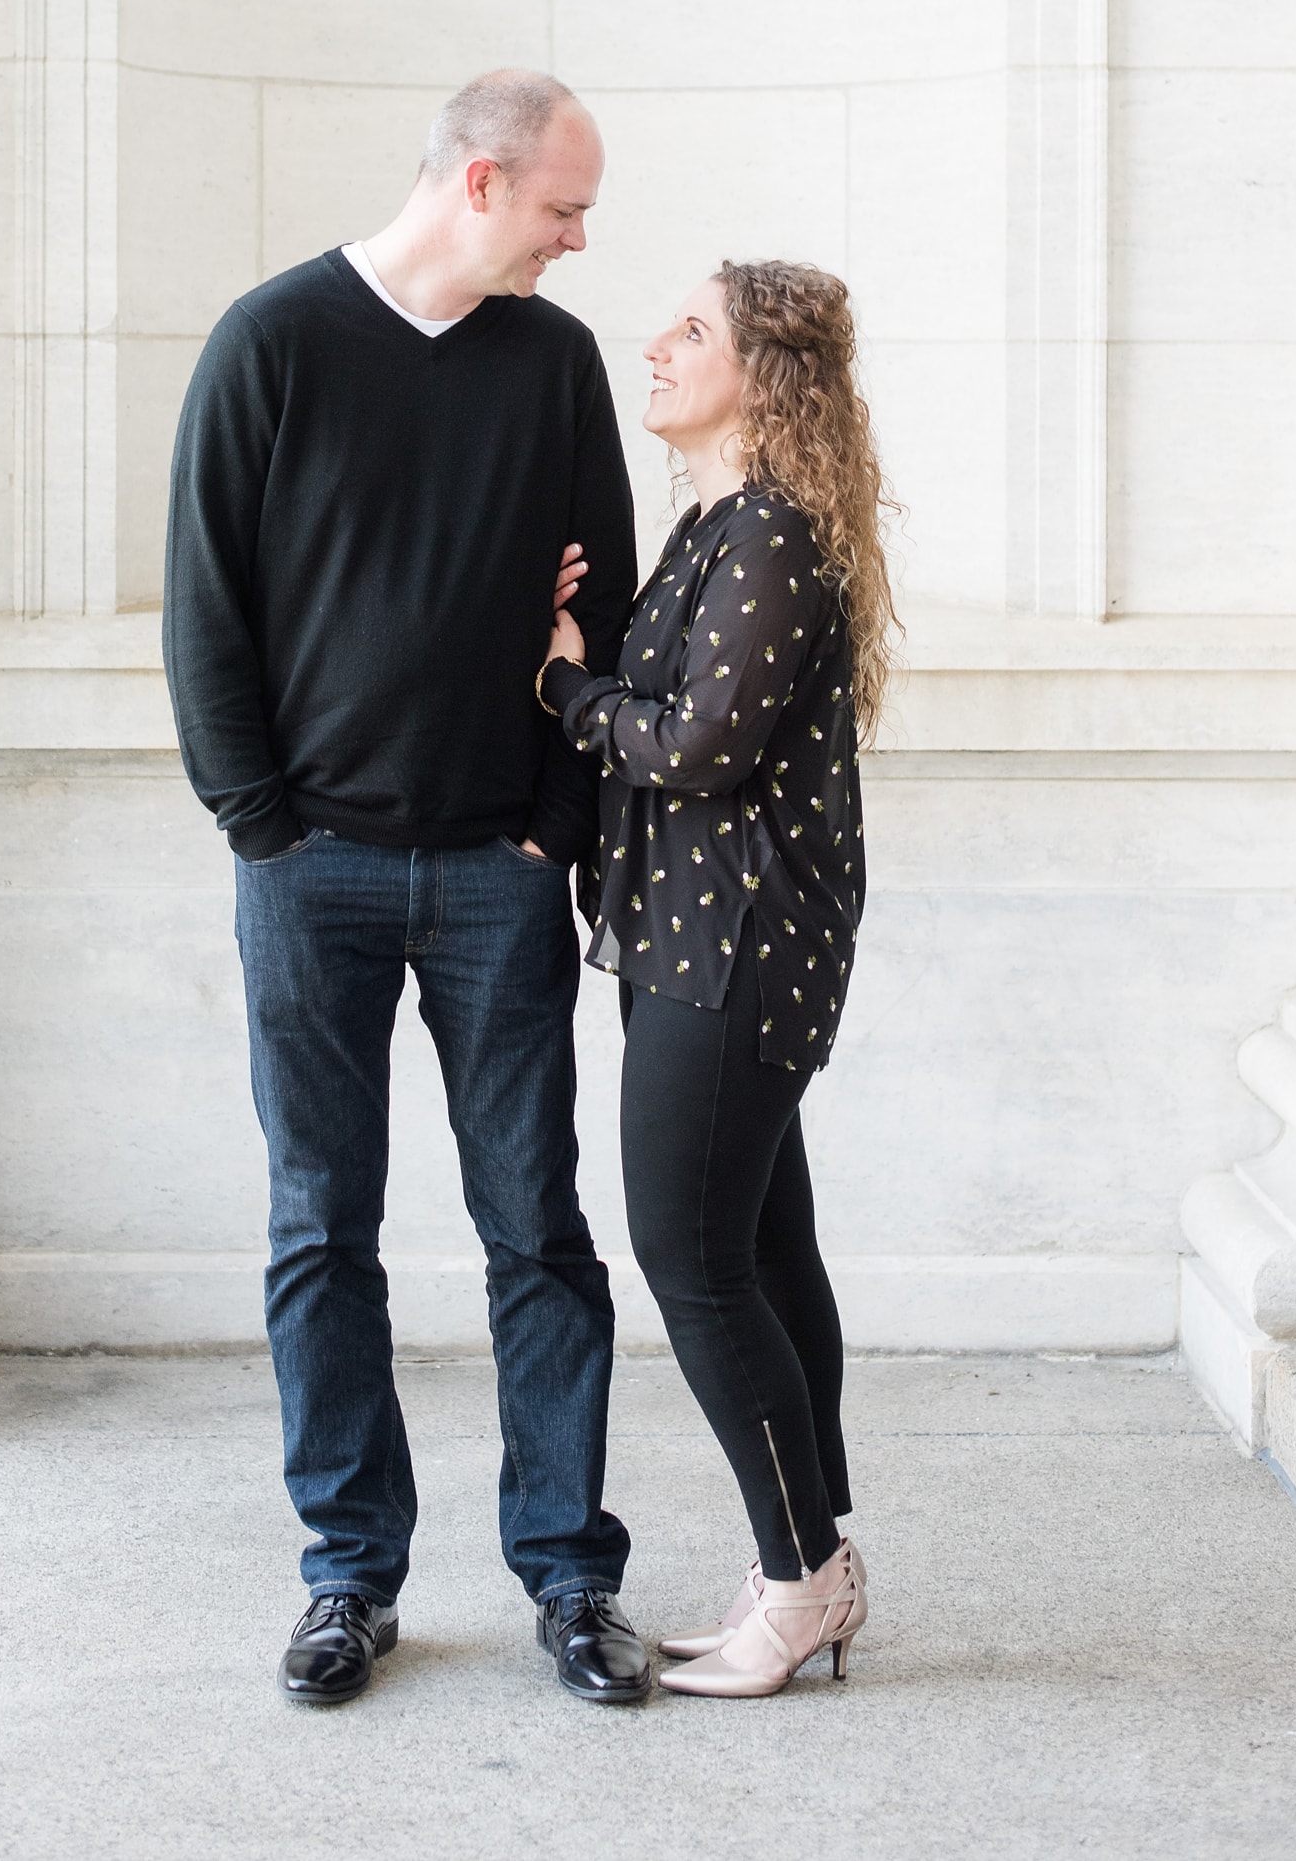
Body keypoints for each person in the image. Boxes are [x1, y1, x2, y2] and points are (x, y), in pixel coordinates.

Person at [164, 70, 651, 1709]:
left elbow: (616, 613)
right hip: (313, 873)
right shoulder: (274, 340)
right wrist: (262, 828)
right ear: (478, 181)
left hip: (497, 874)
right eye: (563, 208)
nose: (580, 241)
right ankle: (349, 1579)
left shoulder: (555, 366)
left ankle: (573, 1575)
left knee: (537, 1227)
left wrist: (551, 832)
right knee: (324, 1227)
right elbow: (204, 608)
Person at [537, 260, 895, 1698]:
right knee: (759, 1250)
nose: (656, 344)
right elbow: (669, 687)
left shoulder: (771, 535)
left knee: (691, 1257)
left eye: (692, 330)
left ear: (765, 373)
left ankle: (800, 1578)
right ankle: (810, 1563)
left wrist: (566, 687)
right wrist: (588, 625)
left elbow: (696, 743)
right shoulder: (716, 526)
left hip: (735, 946)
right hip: (703, 934)